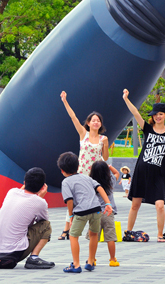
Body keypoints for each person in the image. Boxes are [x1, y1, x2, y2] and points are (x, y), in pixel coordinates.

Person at [122, 88, 165, 242]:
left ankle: (160, 234)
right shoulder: (147, 128)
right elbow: (135, 113)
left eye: (160, 114)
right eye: (155, 114)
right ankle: (129, 232)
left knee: (160, 205)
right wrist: (126, 98)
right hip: (142, 171)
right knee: (135, 204)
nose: (157, 117)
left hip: (157, 174)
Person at [58, 91, 109, 240]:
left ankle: (92, 230)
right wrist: (65, 101)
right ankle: (67, 228)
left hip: (94, 175)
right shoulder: (83, 134)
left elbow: (104, 158)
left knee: (92, 203)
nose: (96, 122)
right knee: (73, 200)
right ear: (88, 123)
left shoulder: (103, 138)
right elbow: (73, 117)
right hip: (81, 173)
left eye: (98, 120)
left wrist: (105, 144)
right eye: (93, 120)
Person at [0, 168, 55, 269]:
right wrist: (40, 197)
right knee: (46, 225)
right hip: (11, 256)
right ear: (42, 187)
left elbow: (22, 191)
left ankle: (33, 258)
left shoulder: (11, 192)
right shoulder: (39, 202)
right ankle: (34, 258)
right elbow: (43, 221)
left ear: (24, 182)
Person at [57, 152, 113, 273]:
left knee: (73, 236)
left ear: (62, 170)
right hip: (96, 209)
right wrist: (107, 203)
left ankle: (76, 265)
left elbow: (70, 201)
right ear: (78, 167)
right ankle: (90, 261)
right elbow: (99, 187)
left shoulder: (66, 182)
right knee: (94, 235)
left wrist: (71, 215)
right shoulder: (86, 177)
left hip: (81, 212)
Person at [88, 161, 121, 267]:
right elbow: (117, 173)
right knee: (110, 237)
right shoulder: (110, 180)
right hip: (108, 213)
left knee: (94, 238)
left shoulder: (90, 183)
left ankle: (92, 259)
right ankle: (112, 259)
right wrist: (110, 166)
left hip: (95, 213)